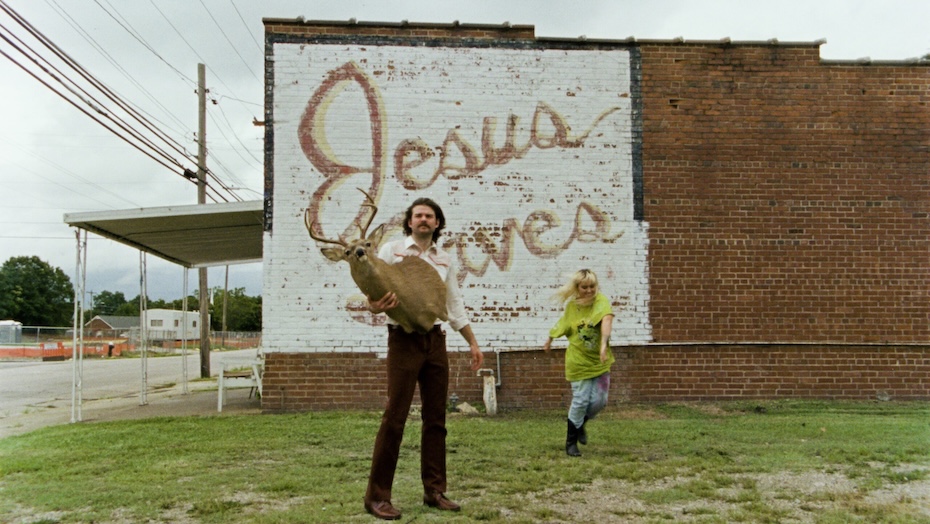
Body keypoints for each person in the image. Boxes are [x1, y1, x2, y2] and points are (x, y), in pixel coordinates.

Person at [363, 197, 484, 520]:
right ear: (410, 222)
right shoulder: (390, 251)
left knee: (436, 419)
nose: (423, 220)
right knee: (395, 417)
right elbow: (371, 289)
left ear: (438, 223)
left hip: (435, 340)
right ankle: (377, 497)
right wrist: (373, 306)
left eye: (429, 216)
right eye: (418, 215)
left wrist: (472, 342)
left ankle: (435, 491)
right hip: (402, 339)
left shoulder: (445, 259)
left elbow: (454, 303)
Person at [542, 269, 615, 457]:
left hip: (600, 360)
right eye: (585, 287)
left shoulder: (601, 301)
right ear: (577, 288)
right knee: (581, 400)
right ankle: (571, 443)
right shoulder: (572, 307)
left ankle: (580, 422)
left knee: (600, 401)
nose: (589, 290)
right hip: (578, 362)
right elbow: (563, 324)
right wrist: (550, 338)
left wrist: (603, 346)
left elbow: (606, 319)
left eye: (592, 286)